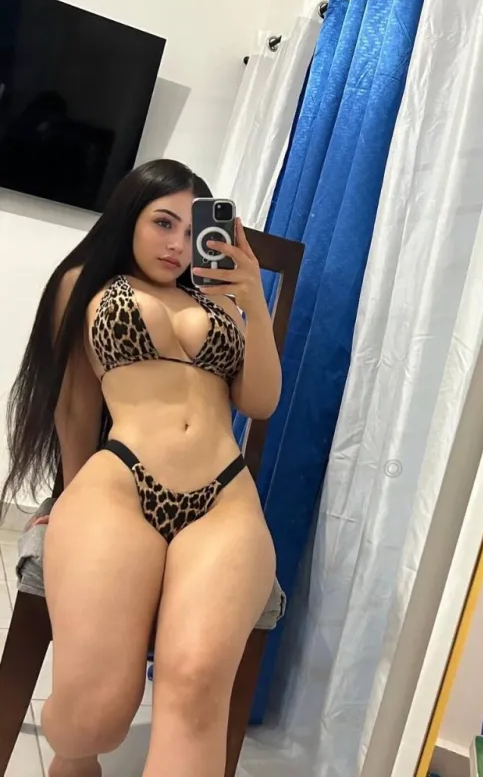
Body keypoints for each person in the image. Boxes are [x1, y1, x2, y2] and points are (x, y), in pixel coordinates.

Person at [0, 159, 282, 777]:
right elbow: (75, 405)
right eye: (163, 223)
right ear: (130, 216)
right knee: (93, 718)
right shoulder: (83, 284)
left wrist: (253, 306)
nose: (178, 243)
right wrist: (66, 504)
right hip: (120, 486)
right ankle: (74, 758)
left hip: (223, 499)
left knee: (197, 682)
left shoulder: (219, 300)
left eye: (192, 230)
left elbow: (259, 402)